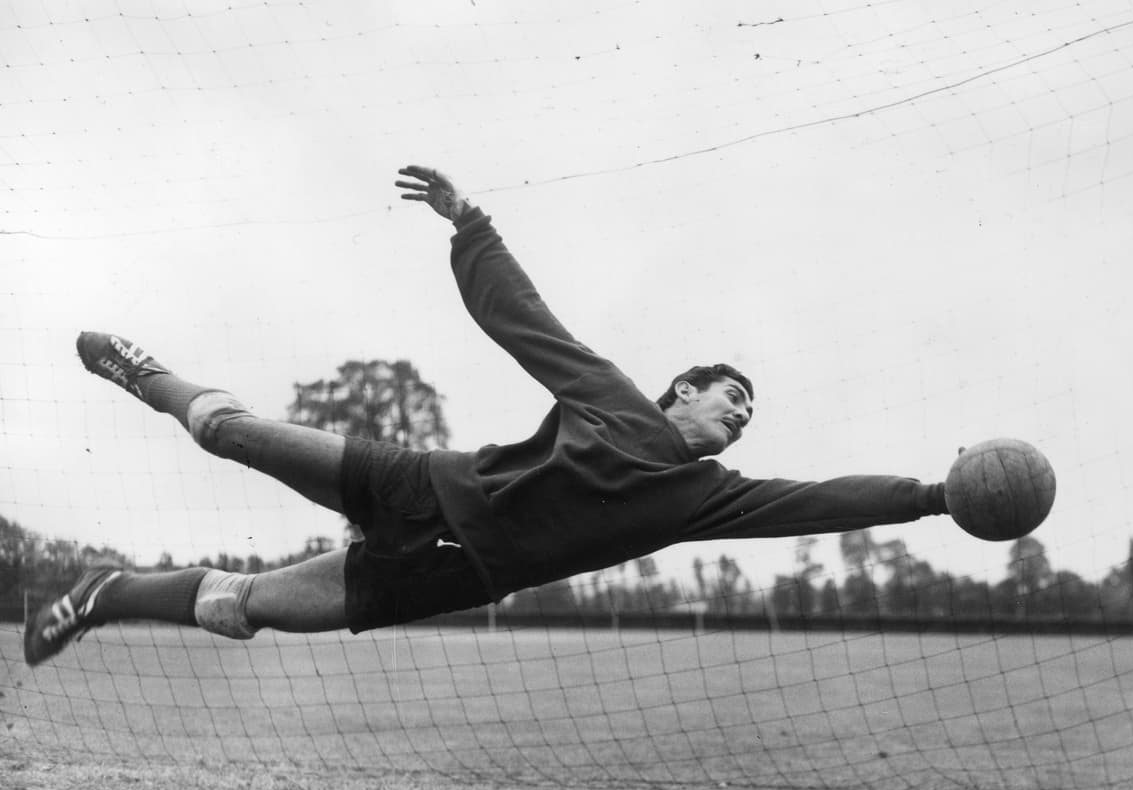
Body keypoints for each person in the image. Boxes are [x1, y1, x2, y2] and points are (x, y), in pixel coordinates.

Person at [23, 165, 950, 667]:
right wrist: (472, 224)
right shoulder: (615, 397)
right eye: (730, 396)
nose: (741, 415)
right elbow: (522, 319)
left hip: (452, 574)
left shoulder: (707, 498)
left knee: (245, 607)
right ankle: (147, 375)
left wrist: (935, 496)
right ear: (681, 393)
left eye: (749, 411)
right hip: (420, 486)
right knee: (228, 433)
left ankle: (104, 595)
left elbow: (825, 500)